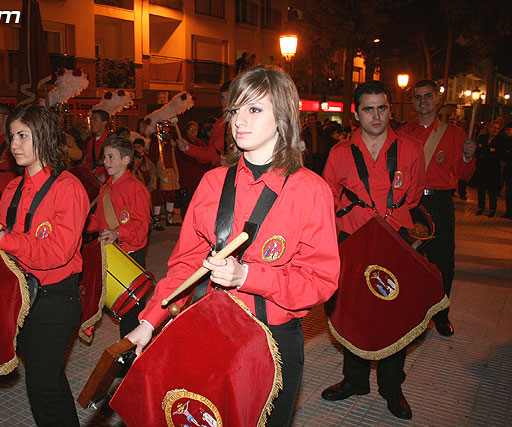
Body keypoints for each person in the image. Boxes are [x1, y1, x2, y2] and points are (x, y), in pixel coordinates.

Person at [126, 66, 340, 426]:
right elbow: (185, 266)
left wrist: (249, 277)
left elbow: (321, 282)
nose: (239, 120)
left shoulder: (311, 190)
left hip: (271, 339)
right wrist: (150, 320)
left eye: (254, 109)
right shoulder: (212, 183)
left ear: (283, 117)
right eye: (236, 110)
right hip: (208, 327)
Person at [0, 105, 88, 426]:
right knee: (47, 379)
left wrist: (5, 242)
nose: (14, 144)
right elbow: (5, 245)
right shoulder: (11, 188)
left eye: (23, 135)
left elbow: (58, 252)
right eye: (12, 136)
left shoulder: (68, 188)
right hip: (20, 296)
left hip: (55, 299)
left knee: (40, 385)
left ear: (46, 136)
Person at [321, 81, 425, 420]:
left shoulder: (411, 149)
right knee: (354, 313)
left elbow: (415, 195)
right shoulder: (339, 153)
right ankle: (355, 381)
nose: (376, 115)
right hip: (354, 244)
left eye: (381, 107)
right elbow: (328, 198)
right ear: (356, 113)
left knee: (396, 314)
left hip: (396, 243)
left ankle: (392, 387)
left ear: (390, 109)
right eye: (368, 109)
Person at [399, 79, 476, 337]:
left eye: (428, 96)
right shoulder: (402, 133)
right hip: (411, 203)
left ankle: (441, 315)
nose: (423, 101)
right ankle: (411, 313)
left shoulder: (453, 134)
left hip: (441, 202)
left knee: (443, 261)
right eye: (418, 97)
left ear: (437, 100)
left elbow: (464, 174)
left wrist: (467, 156)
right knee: (411, 261)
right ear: (413, 101)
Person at [85, 136, 151, 337]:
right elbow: (98, 220)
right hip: (112, 255)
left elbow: (141, 227)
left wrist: (118, 232)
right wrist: (79, 224)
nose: (105, 162)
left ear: (126, 160)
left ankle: (133, 353)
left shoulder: (134, 187)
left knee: (132, 311)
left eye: (111, 157)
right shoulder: (106, 188)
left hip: (130, 256)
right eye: (105, 157)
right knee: (119, 307)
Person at [178, 81, 232, 167]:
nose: (225, 102)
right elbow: (211, 154)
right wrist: (188, 148)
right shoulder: (220, 125)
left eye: (228, 97)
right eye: (222, 97)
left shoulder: (250, 121)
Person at [177, 120, 210, 219]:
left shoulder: (201, 143)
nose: (193, 131)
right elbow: (178, 159)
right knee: (186, 200)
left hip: (199, 174)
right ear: (186, 131)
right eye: (191, 129)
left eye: (195, 129)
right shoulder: (182, 143)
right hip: (186, 174)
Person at [474, 121, 506, 217]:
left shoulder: (500, 140)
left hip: (493, 168)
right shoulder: (483, 137)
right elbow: (478, 150)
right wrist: (489, 150)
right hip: (482, 167)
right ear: (489, 128)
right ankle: (481, 207)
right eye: (493, 128)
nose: (495, 130)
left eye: (497, 129)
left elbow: (498, 154)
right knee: (481, 189)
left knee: (492, 190)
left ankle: (492, 209)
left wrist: (485, 150)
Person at [82, 109, 110, 183]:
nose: (92, 123)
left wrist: (105, 175)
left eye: (95, 120)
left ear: (104, 122)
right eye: (91, 120)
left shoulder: (112, 141)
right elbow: (89, 162)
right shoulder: (91, 142)